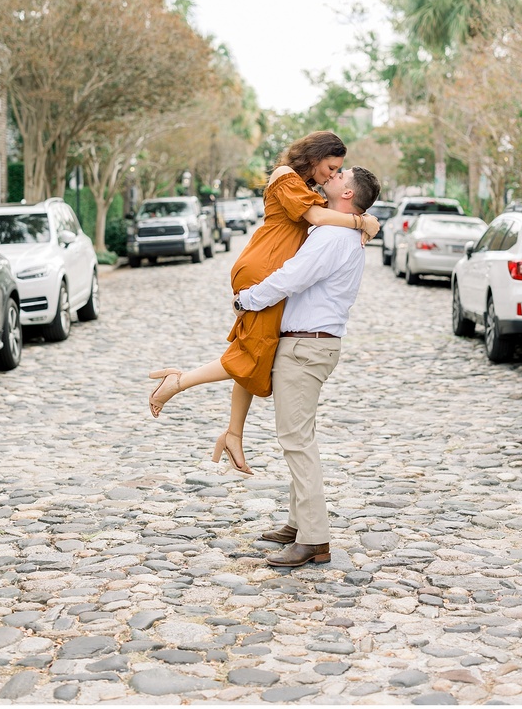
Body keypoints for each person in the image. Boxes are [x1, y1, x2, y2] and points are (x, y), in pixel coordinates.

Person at [147, 132, 380, 475]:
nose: (332, 175)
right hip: (264, 269)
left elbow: (319, 217)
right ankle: (178, 382)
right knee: (253, 352)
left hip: (272, 270)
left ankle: (234, 434)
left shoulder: (304, 186)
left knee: (256, 351)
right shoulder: (285, 177)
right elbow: (316, 219)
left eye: (337, 172)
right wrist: (364, 221)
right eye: (331, 167)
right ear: (315, 157)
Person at [234, 164, 380, 567]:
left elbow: (292, 277)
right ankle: (299, 522)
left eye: (338, 176)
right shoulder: (341, 230)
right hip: (310, 345)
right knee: (301, 435)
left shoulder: (334, 235)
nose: (329, 178)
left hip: (305, 347)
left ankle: (315, 538)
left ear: (348, 194)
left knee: (297, 442)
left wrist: (247, 300)